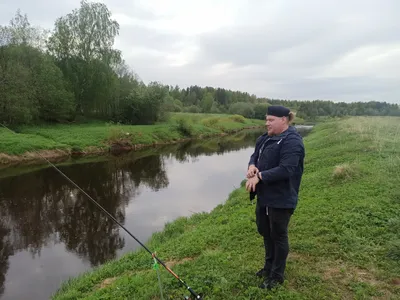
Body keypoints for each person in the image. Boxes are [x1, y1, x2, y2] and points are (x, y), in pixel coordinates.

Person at [245, 105, 305, 290]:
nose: (267, 123)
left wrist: (260, 176)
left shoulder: (292, 141)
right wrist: (252, 165)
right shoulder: (264, 138)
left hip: (282, 197)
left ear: (284, 120)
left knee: (278, 235)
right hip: (265, 196)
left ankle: (277, 276)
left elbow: (287, 169)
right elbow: (255, 155)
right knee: (265, 231)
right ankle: (268, 267)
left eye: (271, 120)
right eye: (266, 119)